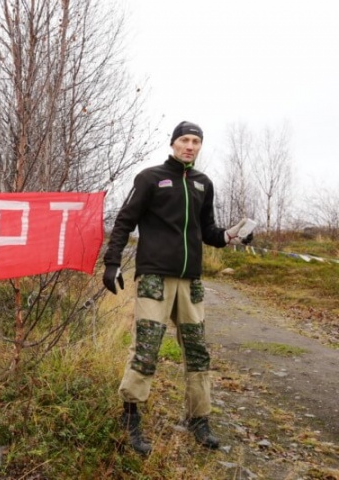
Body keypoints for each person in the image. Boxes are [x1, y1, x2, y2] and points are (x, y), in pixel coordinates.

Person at [102, 121, 254, 455]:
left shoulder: (203, 184)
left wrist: (232, 235)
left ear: (200, 146)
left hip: (191, 282)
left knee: (198, 351)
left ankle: (198, 418)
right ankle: (130, 415)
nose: (190, 146)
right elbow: (124, 221)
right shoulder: (150, 178)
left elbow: (208, 231)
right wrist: (111, 263)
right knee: (147, 347)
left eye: (196, 141)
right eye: (184, 140)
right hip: (155, 277)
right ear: (173, 143)